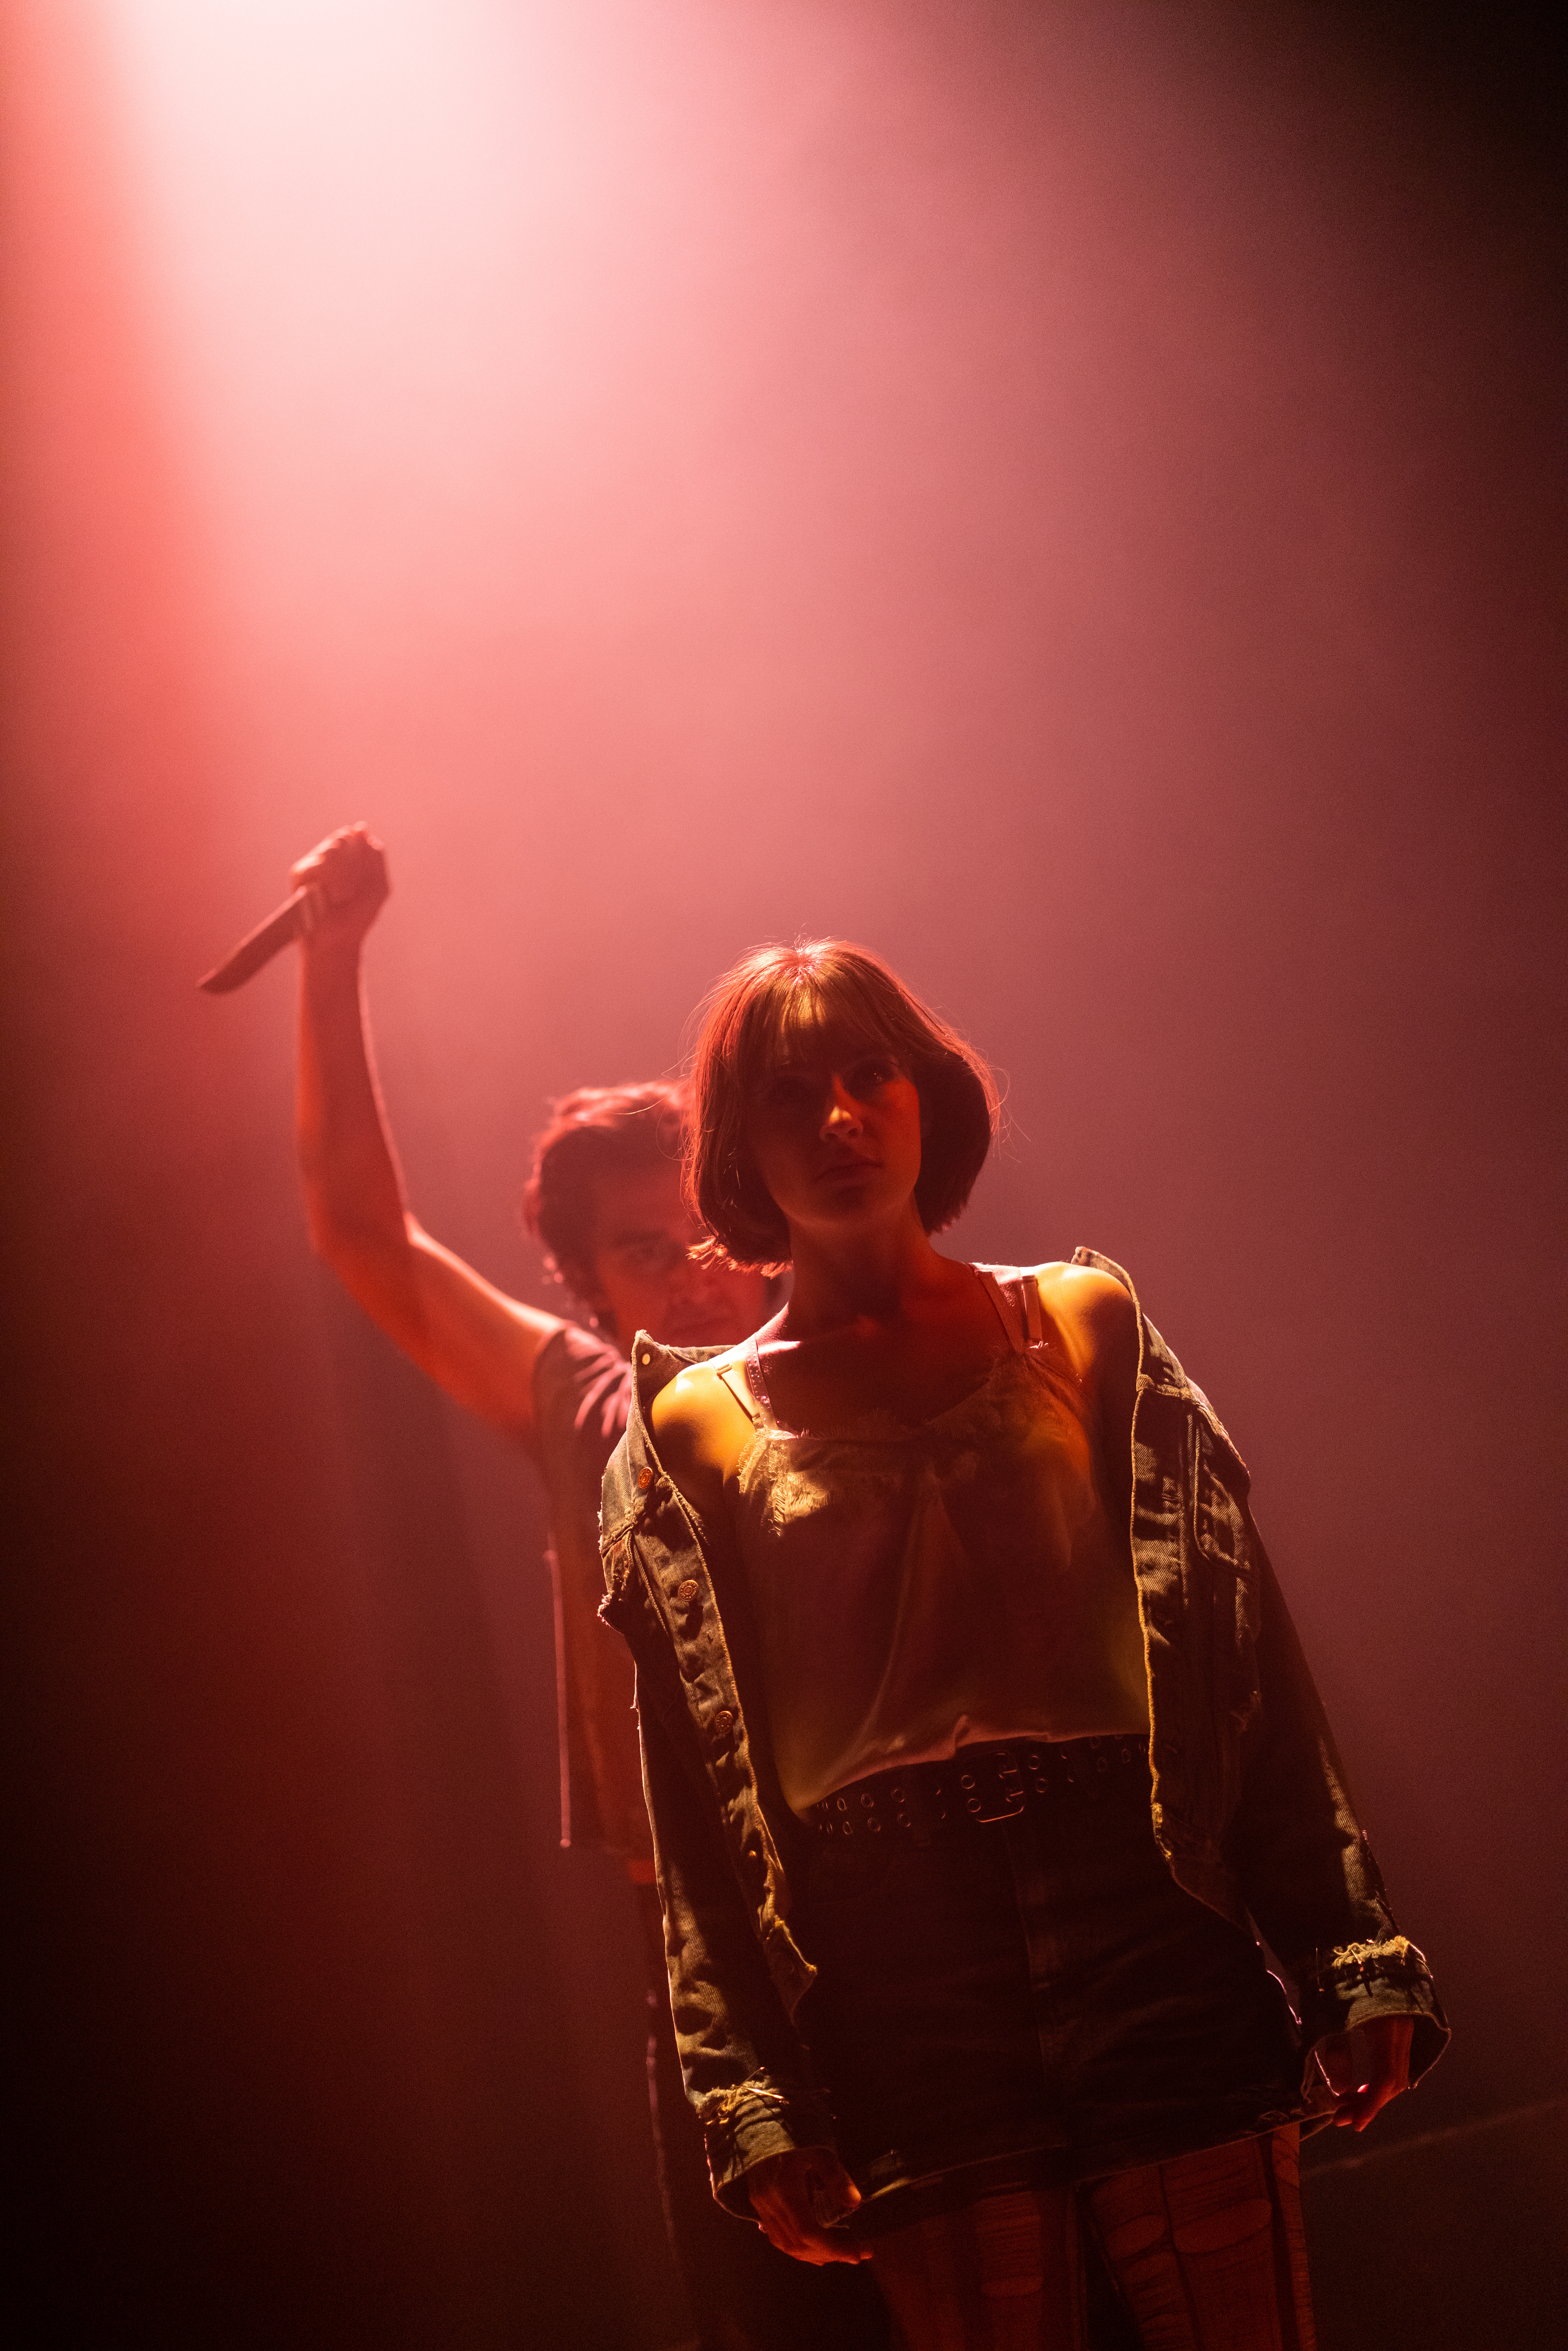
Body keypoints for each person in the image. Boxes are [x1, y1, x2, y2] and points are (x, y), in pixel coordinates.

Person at [599, 938, 1449, 2351]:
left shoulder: (1079, 1318)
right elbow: (694, 1805)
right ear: (739, 1147)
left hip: (1145, 1911)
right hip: (898, 1970)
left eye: (871, 1075)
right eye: (790, 1093)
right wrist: (746, 2093)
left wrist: (1349, 1939)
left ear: (929, 1095)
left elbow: (1241, 1655)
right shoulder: (688, 1430)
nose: (840, 1120)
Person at [287, 827, 891, 2351]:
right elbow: (364, 1235)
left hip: (907, 1916)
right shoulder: (583, 1400)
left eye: (705, 1233)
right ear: (592, 1291)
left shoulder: (872, 1363)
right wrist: (336, 960)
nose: (693, 1275)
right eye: (643, 1255)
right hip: (699, 1961)